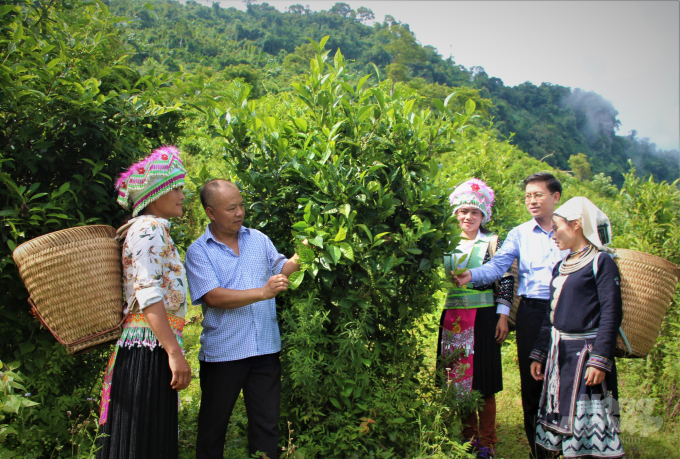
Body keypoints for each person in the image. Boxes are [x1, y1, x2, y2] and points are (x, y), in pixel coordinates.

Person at [453, 172, 569, 458]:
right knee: (533, 383)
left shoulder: (569, 230)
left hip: (566, 309)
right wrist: (471, 274)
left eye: (538, 194)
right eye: (528, 195)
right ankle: (538, 449)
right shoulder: (519, 233)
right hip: (532, 311)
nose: (532, 200)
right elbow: (498, 269)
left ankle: (569, 444)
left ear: (555, 197)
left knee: (566, 380)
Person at [185, 179, 302, 459]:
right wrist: (262, 292)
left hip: (265, 349)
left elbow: (282, 268)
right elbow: (212, 296)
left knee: (266, 426)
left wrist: (307, 251)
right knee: (213, 428)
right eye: (232, 208)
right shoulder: (199, 251)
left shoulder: (258, 239)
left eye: (242, 206)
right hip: (224, 353)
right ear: (211, 212)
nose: (240, 213)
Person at [98, 146, 191, 459]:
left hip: (149, 345)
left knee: (145, 438)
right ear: (155, 193)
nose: (181, 194)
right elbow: (148, 292)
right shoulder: (149, 228)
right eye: (175, 188)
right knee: (143, 442)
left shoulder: (152, 229)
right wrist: (174, 353)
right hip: (149, 347)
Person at [529, 197, 625, 458]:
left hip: (586, 356)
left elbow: (611, 313)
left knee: (590, 431)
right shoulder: (561, 266)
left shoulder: (601, 263)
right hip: (560, 356)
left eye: (557, 228)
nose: (553, 235)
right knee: (557, 421)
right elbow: (551, 316)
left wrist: (600, 359)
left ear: (576, 226)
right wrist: (540, 352)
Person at [438, 179, 514, 459]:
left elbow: (506, 279)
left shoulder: (493, 242)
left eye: (474, 212)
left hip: (483, 316)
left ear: (483, 216)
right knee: (459, 377)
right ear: (455, 214)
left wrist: (502, 316)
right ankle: (468, 436)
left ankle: (488, 440)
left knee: (484, 379)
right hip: (453, 315)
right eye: (462, 211)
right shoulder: (446, 242)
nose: (467, 217)